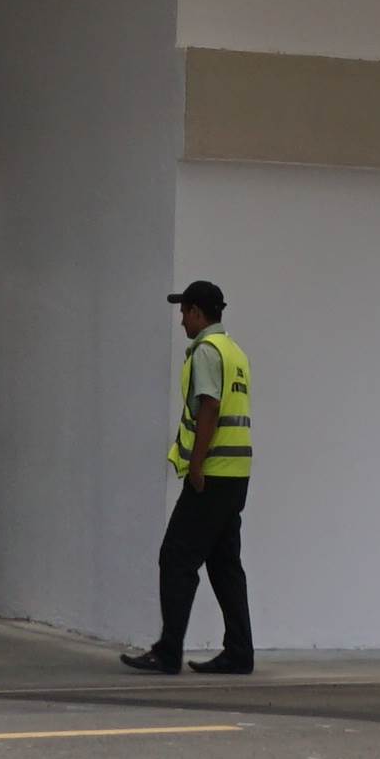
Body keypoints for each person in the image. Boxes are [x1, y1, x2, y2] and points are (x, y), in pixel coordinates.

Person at [119, 277, 255, 676]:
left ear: (197, 312)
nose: (181, 320)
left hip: (211, 474)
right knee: (225, 565)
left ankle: (168, 651)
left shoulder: (207, 352)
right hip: (236, 474)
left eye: (184, 312)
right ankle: (239, 652)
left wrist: (196, 466)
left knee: (176, 557)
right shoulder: (235, 352)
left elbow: (209, 407)